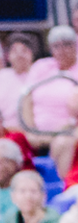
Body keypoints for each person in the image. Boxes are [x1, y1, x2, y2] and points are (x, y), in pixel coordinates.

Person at [21, 26, 78, 154]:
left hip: (68, 134)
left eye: (67, 44)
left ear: (75, 46)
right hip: (35, 135)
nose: (62, 50)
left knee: (62, 144)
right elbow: (26, 98)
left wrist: (53, 136)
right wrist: (30, 131)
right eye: (56, 46)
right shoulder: (41, 66)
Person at [0, 31, 39, 131]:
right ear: (8, 56)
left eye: (24, 50)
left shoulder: (39, 74)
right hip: (1, 130)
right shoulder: (0, 76)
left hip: (30, 130)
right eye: (15, 51)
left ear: (31, 54)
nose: (19, 55)